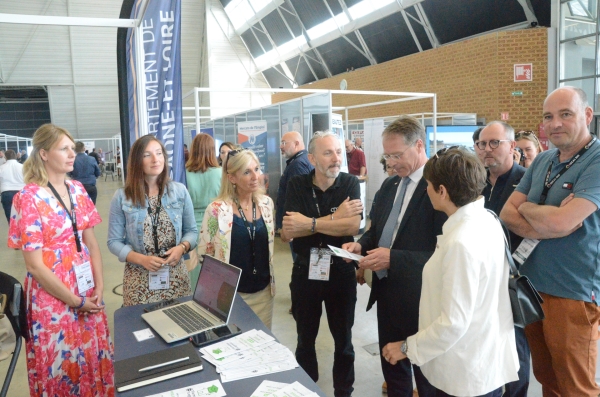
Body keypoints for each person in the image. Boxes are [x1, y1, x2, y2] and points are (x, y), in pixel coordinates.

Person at [382, 146, 519, 397]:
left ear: (442, 191)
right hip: (481, 356)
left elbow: (453, 323)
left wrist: (406, 347)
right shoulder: (487, 219)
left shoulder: (461, 242)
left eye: (429, 185)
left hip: (466, 371)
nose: (426, 190)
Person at [500, 86, 600, 396]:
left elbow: (563, 222)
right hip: (532, 288)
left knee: (576, 386)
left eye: (565, 115)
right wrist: (545, 217)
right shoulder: (543, 160)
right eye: (548, 117)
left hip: (573, 293)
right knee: (547, 378)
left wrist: (531, 211)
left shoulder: (595, 162)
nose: (555, 123)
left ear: (586, 115)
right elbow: (507, 212)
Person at [7, 123, 114, 396]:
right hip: (52, 296)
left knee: (91, 355)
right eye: (63, 149)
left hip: (85, 286)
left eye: (71, 148)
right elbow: (33, 265)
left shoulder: (77, 189)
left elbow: (91, 242)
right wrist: (74, 301)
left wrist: (99, 287)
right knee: (60, 362)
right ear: (43, 154)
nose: (72, 154)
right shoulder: (28, 198)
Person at [342, 116, 446, 397]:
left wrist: (394, 259)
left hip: (422, 299)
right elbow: (378, 232)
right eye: (387, 156)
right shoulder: (390, 186)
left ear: (419, 146)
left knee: (426, 375)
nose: (391, 163)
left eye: (397, 155)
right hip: (387, 294)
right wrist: (360, 246)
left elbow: (443, 254)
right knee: (392, 365)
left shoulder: (438, 189)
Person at [282, 131, 363, 397]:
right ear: (312, 157)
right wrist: (334, 218)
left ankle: (344, 391)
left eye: (339, 152)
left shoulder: (351, 183)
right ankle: (308, 390)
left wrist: (311, 223)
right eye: (328, 153)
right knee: (305, 340)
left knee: (344, 342)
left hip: (341, 272)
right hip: (306, 270)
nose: (336, 159)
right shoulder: (297, 184)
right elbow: (290, 231)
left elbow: (352, 225)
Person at [107, 135, 198, 306]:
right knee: (141, 330)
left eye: (159, 153)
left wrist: (182, 248)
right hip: (139, 281)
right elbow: (113, 242)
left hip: (176, 278)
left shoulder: (179, 192)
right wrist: (142, 259)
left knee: (179, 326)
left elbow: (192, 231)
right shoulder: (123, 197)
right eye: (147, 155)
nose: (155, 159)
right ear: (136, 161)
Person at [477, 121, 529, 396]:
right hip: (479, 279)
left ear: (512, 146)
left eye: (494, 143)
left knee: (516, 351)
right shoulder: (475, 184)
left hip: (513, 278)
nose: (487, 149)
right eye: (482, 144)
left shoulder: (526, 182)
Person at [199, 149, 276, 328]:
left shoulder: (266, 204)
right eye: (247, 172)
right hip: (231, 296)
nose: (255, 176)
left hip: (263, 294)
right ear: (232, 178)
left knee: (261, 348)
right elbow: (206, 254)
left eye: (257, 169)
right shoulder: (216, 210)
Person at [185, 133, 221, 286]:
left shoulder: (184, 174)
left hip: (190, 227)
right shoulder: (220, 174)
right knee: (215, 271)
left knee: (193, 271)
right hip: (215, 225)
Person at [0, 150, 25, 223]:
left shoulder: (1, 168)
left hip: (6, 193)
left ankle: (13, 232)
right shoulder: (22, 167)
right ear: (15, 156)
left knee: (10, 217)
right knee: (22, 215)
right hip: (21, 192)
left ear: (6, 157)